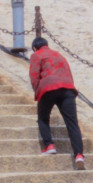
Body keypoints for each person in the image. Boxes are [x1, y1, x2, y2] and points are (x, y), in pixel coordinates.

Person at [28, 36, 86, 169]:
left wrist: (37, 93)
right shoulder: (59, 54)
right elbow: (68, 72)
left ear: (35, 48)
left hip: (48, 88)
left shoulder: (36, 55)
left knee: (42, 118)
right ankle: (79, 155)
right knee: (72, 123)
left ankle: (49, 145)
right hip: (67, 89)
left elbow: (34, 76)